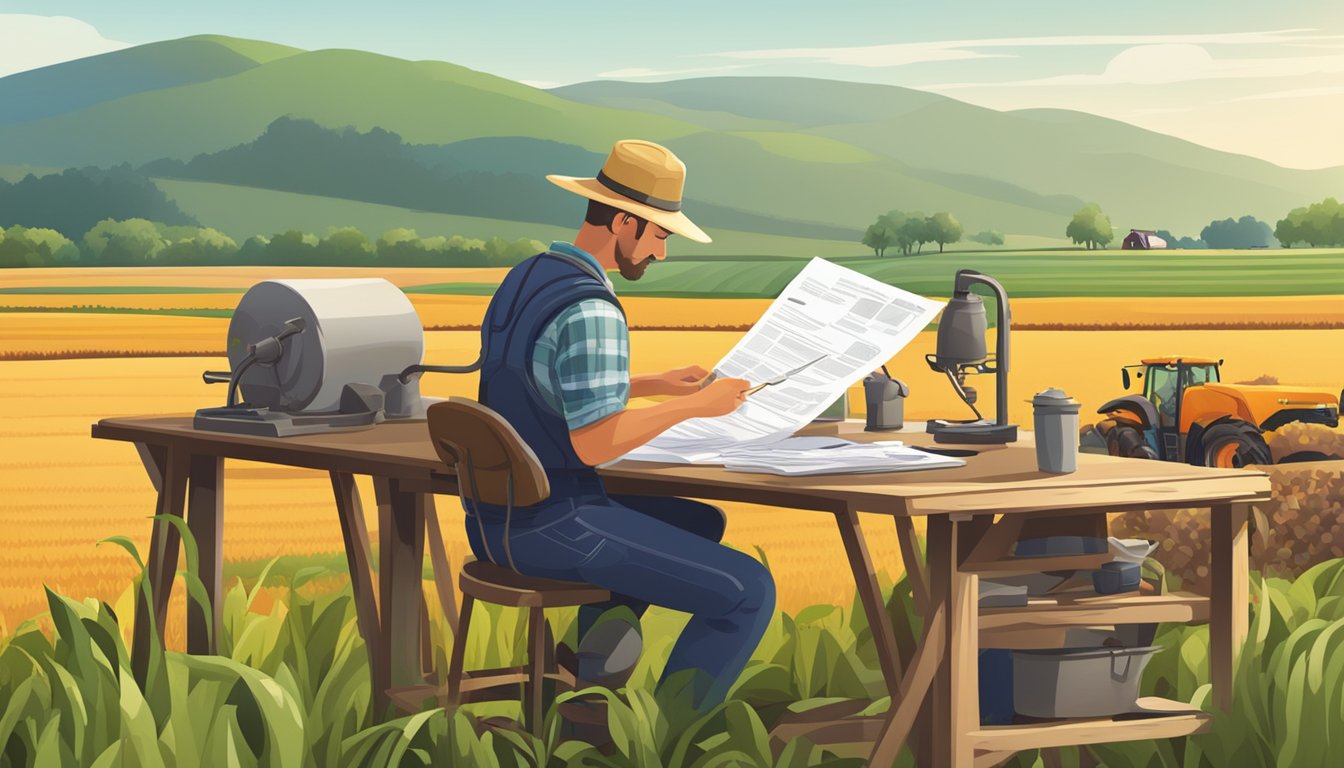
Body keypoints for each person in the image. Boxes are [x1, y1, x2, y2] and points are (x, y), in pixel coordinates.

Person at [467, 139, 775, 712]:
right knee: (747, 592)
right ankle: (665, 738)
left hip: (493, 522)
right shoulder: (594, 310)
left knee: (697, 520)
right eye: (659, 235)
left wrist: (652, 385)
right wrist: (695, 406)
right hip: (554, 526)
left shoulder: (529, 276)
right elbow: (595, 445)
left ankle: (582, 684)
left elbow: (537, 383)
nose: (660, 252)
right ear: (626, 223)